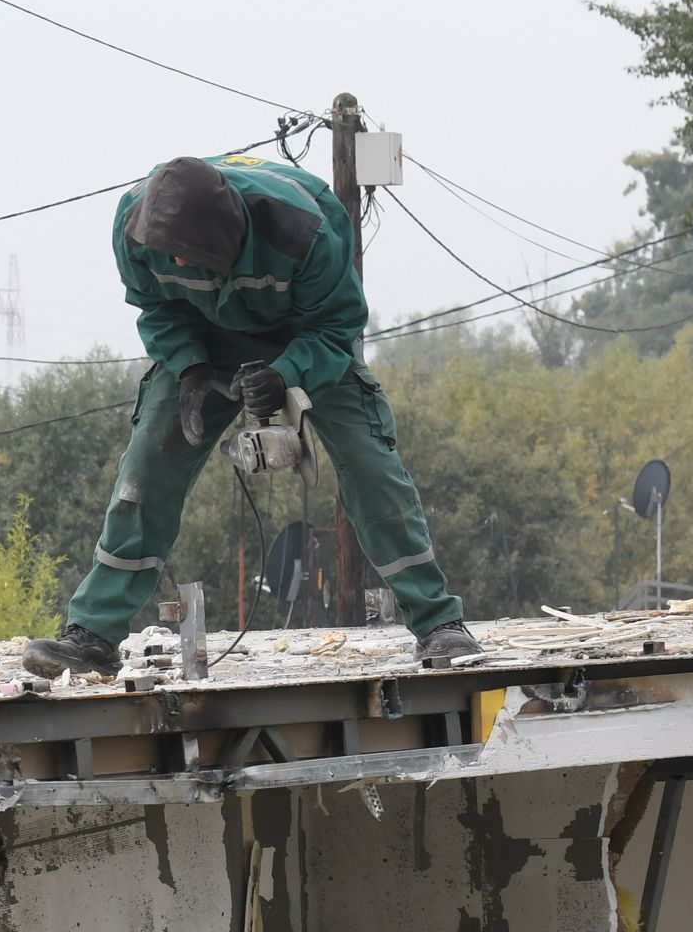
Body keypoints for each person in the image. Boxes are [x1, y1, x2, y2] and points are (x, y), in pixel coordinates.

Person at [27, 155, 479, 676]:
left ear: (231, 235)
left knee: (371, 464)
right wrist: (190, 366)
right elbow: (158, 308)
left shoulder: (304, 229)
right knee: (146, 470)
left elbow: (337, 327)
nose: (180, 265)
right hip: (203, 339)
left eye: (194, 258)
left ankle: (439, 622)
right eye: (173, 258)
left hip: (308, 337)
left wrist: (284, 374)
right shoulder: (136, 226)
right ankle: (92, 633)